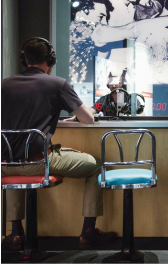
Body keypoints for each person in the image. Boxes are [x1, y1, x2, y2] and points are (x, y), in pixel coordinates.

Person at [1, 38, 117, 251]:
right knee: (97, 166)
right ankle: (88, 231)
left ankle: (16, 233)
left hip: (4, 164)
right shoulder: (56, 84)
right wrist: (77, 115)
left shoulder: (4, 84)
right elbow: (88, 119)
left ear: (23, 59)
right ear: (50, 60)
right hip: (39, 163)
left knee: (14, 166)